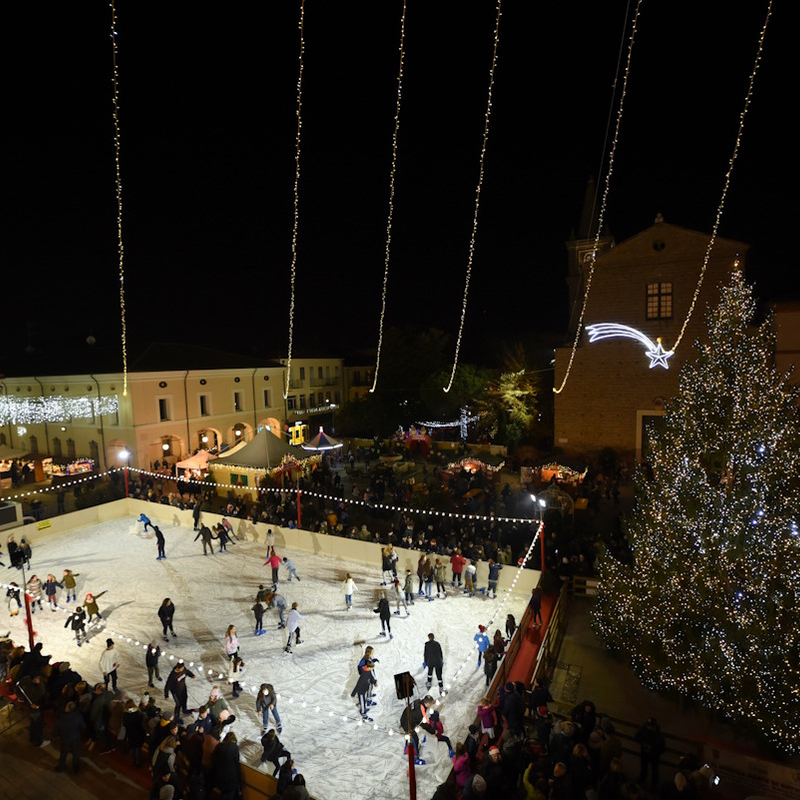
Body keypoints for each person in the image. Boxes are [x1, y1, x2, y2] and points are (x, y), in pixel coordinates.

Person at [17, 672, 49, 748]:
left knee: (33, 723)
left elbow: (19, 686)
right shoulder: (38, 689)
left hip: (30, 708)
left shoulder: (26, 681)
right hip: (36, 710)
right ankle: (38, 742)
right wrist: (40, 684)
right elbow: (43, 695)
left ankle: (32, 737)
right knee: (38, 725)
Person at [55, 700, 85, 773]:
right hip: (75, 738)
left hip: (64, 739)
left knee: (63, 753)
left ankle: (60, 767)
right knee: (76, 753)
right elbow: (83, 727)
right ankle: (75, 768)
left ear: (66, 708)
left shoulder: (60, 719)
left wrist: (58, 736)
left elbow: (56, 730)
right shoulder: (79, 717)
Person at [635, 717, 665, 787]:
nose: (649, 727)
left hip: (654, 756)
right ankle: (642, 780)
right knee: (644, 768)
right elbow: (637, 736)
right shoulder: (644, 729)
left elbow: (662, 748)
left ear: (654, 726)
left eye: (651, 725)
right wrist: (643, 743)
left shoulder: (659, 735)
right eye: (648, 725)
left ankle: (654, 785)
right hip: (645, 754)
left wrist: (653, 749)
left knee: (654, 771)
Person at [213, 730, 241, 800]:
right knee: (229, 795)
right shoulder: (234, 748)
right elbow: (236, 762)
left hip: (220, 776)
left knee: (224, 794)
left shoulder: (219, 746)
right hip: (230, 777)